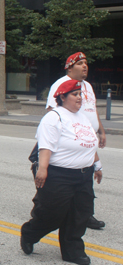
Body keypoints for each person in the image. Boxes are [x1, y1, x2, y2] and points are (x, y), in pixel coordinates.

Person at [21, 79, 102, 265]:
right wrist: (42, 169)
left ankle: (72, 250)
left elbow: (88, 143)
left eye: (80, 94)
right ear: (62, 97)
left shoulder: (82, 117)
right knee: (52, 213)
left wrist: (97, 165)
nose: (79, 98)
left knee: (80, 213)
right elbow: (46, 146)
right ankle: (30, 233)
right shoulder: (54, 117)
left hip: (83, 174)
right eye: (75, 95)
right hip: (59, 175)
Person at [46, 52, 106, 230]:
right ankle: (43, 211)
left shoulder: (87, 86)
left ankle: (85, 215)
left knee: (85, 178)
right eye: (80, 63)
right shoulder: (60, 84)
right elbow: (51, 113)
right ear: (69, 67)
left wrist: (100, 131)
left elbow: (92, 111)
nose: (85, 66)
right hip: (69, 141)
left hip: (86, 139)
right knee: (58, 181)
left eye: (86, 63)